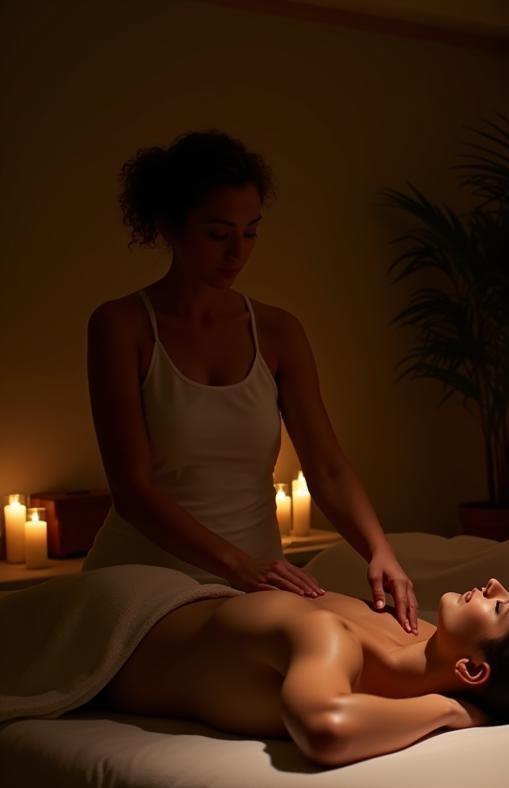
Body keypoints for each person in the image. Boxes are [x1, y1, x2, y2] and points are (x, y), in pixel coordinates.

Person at [83, 130, 419, 632]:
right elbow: (133, 491)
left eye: (251, 232)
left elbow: (326, 468)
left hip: (262, 584)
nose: (237, 252)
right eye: (218, 234)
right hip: (148, 582)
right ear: (169, 226)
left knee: (381, 637)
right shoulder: (121, 325)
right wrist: (237, 565)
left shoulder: (278, 330)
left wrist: (379, 550)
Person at [98, 578, 509, 767]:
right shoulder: (399, 632)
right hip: (121, 611)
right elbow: (327, 727)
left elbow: (326, 730)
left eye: (500, 606)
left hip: (109, 638)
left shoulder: (339, 642)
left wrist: (450, 710)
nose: (493, 584)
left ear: (473, 669)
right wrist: (455, 706)